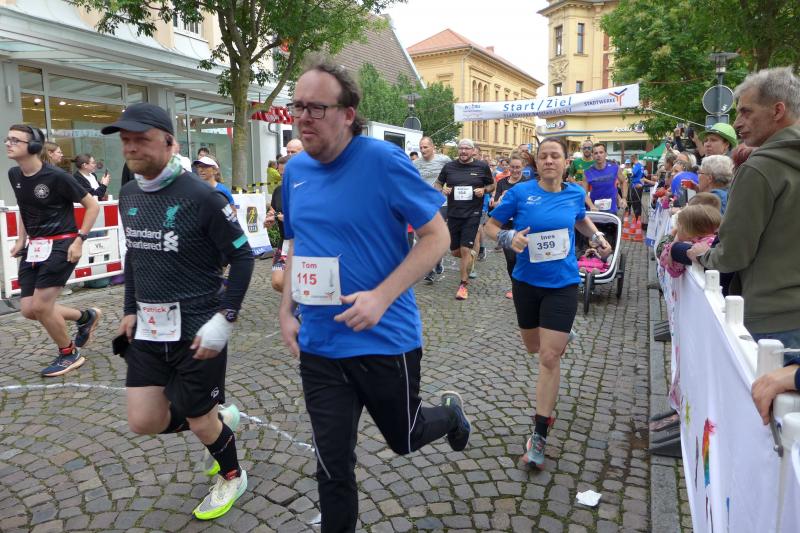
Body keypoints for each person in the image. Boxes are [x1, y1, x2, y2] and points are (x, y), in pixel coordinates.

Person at [278, 61, 471, 533]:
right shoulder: (295, 169)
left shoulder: (384, 162)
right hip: (321, 345)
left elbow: (437, 238)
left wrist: (381, 297)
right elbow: (298, 240)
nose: (303, 117)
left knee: (404, 438)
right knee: (332, 466)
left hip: (384, 339)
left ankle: (450, 415)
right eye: (297, 106)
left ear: (348, 114)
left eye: (316, 108)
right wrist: (286, 309)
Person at [102, 103, 254, 520]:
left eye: (141, 139)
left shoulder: (202, 197)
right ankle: (220, 420)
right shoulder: (129, 193)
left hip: (198, 331)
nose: (131, 147)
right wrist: (129, 308)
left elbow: (243, 257)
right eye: (125, 140)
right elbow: (135, 252)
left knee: (200, 421)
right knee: (143, 420)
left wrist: (226, 318)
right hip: (149, 330)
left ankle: (232, 475)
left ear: (170, 142)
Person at [485, 137, 611, 469]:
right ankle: (561, 334)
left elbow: (580, 218)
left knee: (549, 356)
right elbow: (490, 227)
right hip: (526, 283)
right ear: (537, 163)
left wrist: (597, 237)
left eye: (556, 156)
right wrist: (509, 237)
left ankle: (539, 434)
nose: (549, 161)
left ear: (567, 162)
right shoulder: (519, 193)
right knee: (533, 346)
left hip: (563, 284)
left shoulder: (574, 193)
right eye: (544, 156)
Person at [690, 67, 800, 349]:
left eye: (746, 112)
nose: (737, 123)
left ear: (777, 110)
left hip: (772, 320)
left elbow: (733, 254)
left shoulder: (760, 168)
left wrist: (703, 255)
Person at [6, 125, 102, 376]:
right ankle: (85, 317)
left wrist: (79, 240)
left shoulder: (57, 176)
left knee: (41, 306)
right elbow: (25, 208)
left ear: (34, 146)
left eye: (15, 140)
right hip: (35, 246)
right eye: (7, 139)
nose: (8, 143)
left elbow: (92, 206)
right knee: (29, 309)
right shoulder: (14, 174)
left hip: (62, 243)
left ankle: (69, 353)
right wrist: (21, 239)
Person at [434, 138, 495, 300]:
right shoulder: (449, 167)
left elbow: (492, 185)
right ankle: (471, 257)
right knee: (455, 251)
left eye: (467, 148)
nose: (463, 151)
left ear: (473, 151)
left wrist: (484, 190)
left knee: (465, 249)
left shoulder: (481, 167)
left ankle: (463, 285)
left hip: (472, 213)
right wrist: (443, 189)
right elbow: (437, 184)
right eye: (461, 148)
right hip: (454, 213)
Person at [492, 154, 530, 298]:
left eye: (518, 167)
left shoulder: (528, 183)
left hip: (523, 225)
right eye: (512, 167)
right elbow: (495, 204)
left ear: (523, 167)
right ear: (509, 167)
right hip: (506, 225)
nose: (515, 170)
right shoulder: (502, 182)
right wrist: (500, 201)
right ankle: (515, 286)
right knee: (510, 258)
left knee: (523, 257)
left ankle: (525, 286)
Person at [414, 136, 451, 282]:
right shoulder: (416, 163)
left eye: (425, 147)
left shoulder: (444, 160)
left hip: (441, 202)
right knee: (423, 236)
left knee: (435, 234)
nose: (423, 150)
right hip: (424, 203)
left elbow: (454, 174)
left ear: (433, 147)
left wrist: (448, 186)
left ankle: (435, 262)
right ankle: (431, 265)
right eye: (421, 148)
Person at [659, 204, 720, 278]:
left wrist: (674, 243)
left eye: (678, 226)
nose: (677, 229)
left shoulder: (694, 248)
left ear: (687, 232)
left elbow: (673, 270)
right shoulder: (715, 241)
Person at [264, 155, 290, 291]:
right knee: (277, 282)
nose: (283, 178)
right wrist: (270, 219)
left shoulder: (306, 191)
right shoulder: (278, 191)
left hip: (303, 242)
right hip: (284, 241)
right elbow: (273, 210)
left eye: (286, 174)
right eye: (281, 174)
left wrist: (288, 219)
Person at [584, 143, 627, 213]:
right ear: (592, 155)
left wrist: (624, 198)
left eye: (601, 152)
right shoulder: (587, 172)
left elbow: (624, 182)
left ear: (606, 154)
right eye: (596, 153)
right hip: (595, 210)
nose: (598, 155)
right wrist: (591, 205)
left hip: (612, 210)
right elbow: (584, 193)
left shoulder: (615, 167)